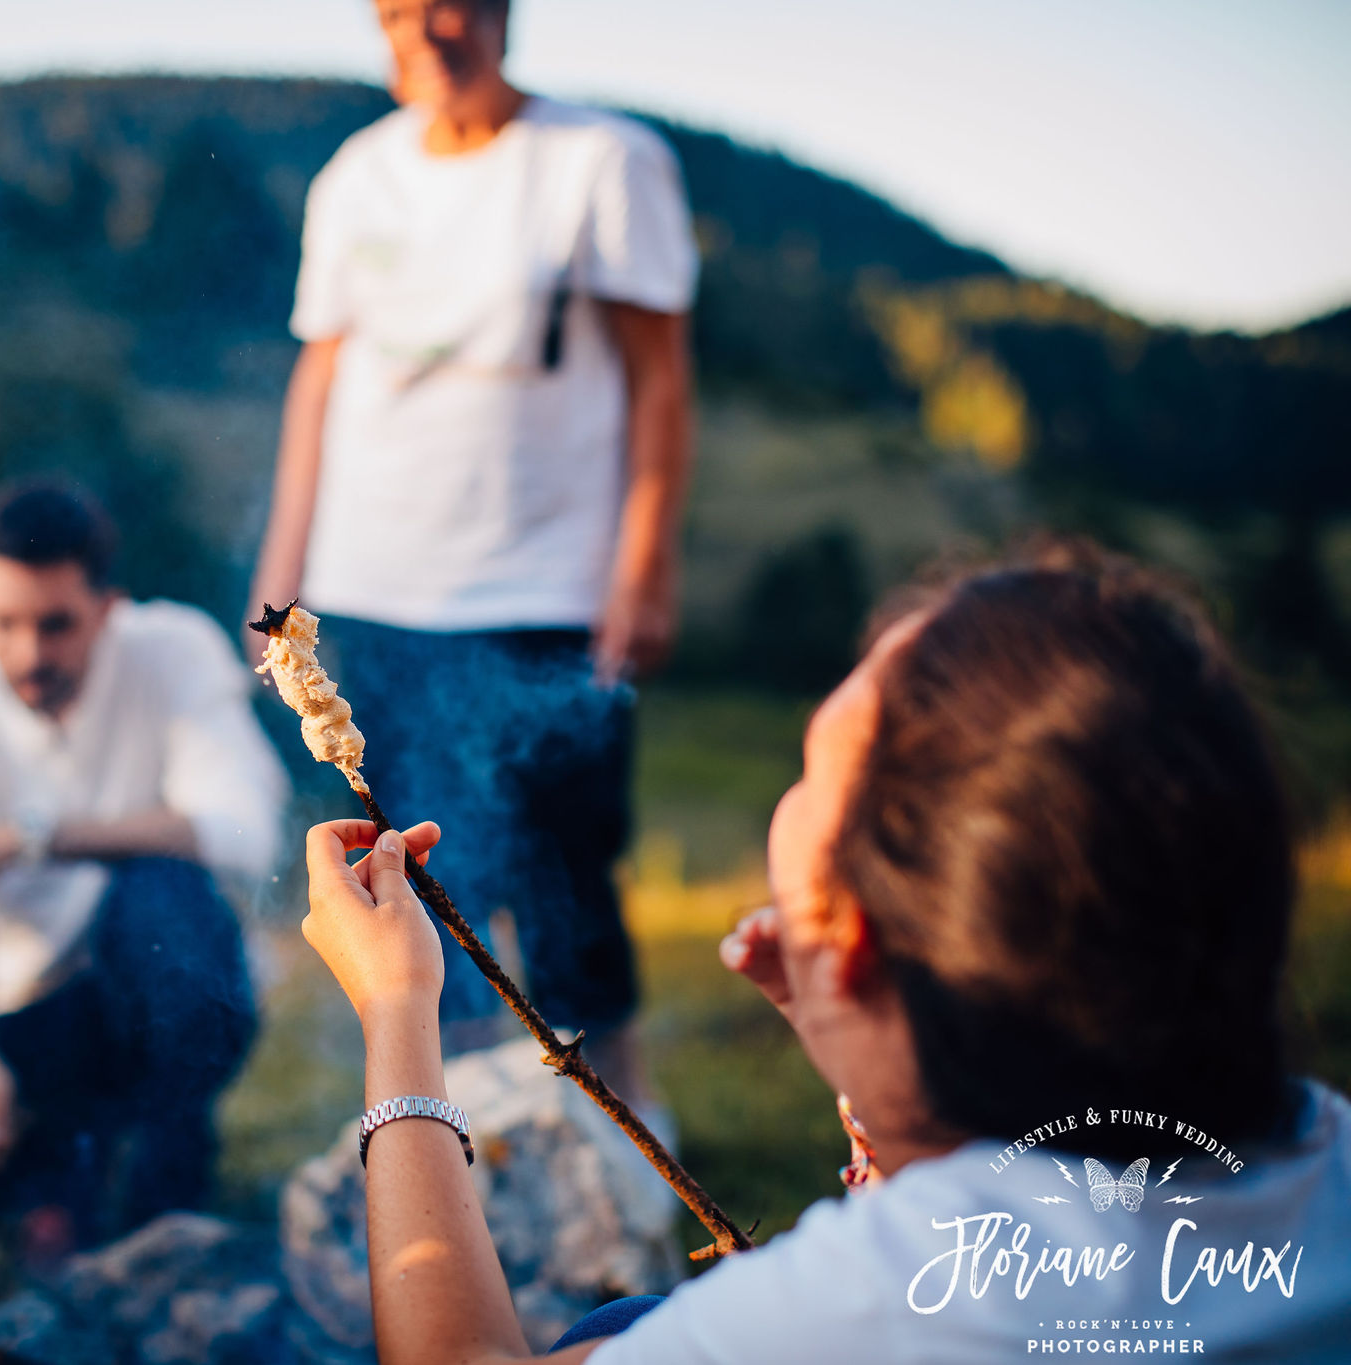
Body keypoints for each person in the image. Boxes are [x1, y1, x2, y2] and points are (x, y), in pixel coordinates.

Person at [300, 543, 1351, 1363]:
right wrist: (872, 1053)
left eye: (810, 765)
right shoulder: (1323, 1164)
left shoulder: (887, 1304)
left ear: (847, 940)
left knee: (614, 1327)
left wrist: (397, 1011)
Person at [248, 0, 698, 1098]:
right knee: (405, 870)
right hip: (372, 584)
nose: (433, 28)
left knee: (564, 879)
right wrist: (281, 569)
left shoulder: (598, 161)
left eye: (458, 4)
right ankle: (453, 1131)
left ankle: (627, 1137)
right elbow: (321, 378)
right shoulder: (356, 175)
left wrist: (640, 564)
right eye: (404, 8)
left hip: (542, 584)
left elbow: (659, 377)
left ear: (502, 16)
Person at [0, 481, 288, 1251]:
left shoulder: (173, 649)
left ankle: (168, 1210)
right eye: (4, 624)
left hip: (181, 985)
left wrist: (29, 837)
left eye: (56, 625)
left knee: (162, 891)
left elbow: (243, 831)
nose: (29, 654)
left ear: (107, 607)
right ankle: (67, 1181)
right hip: (37, 1017)